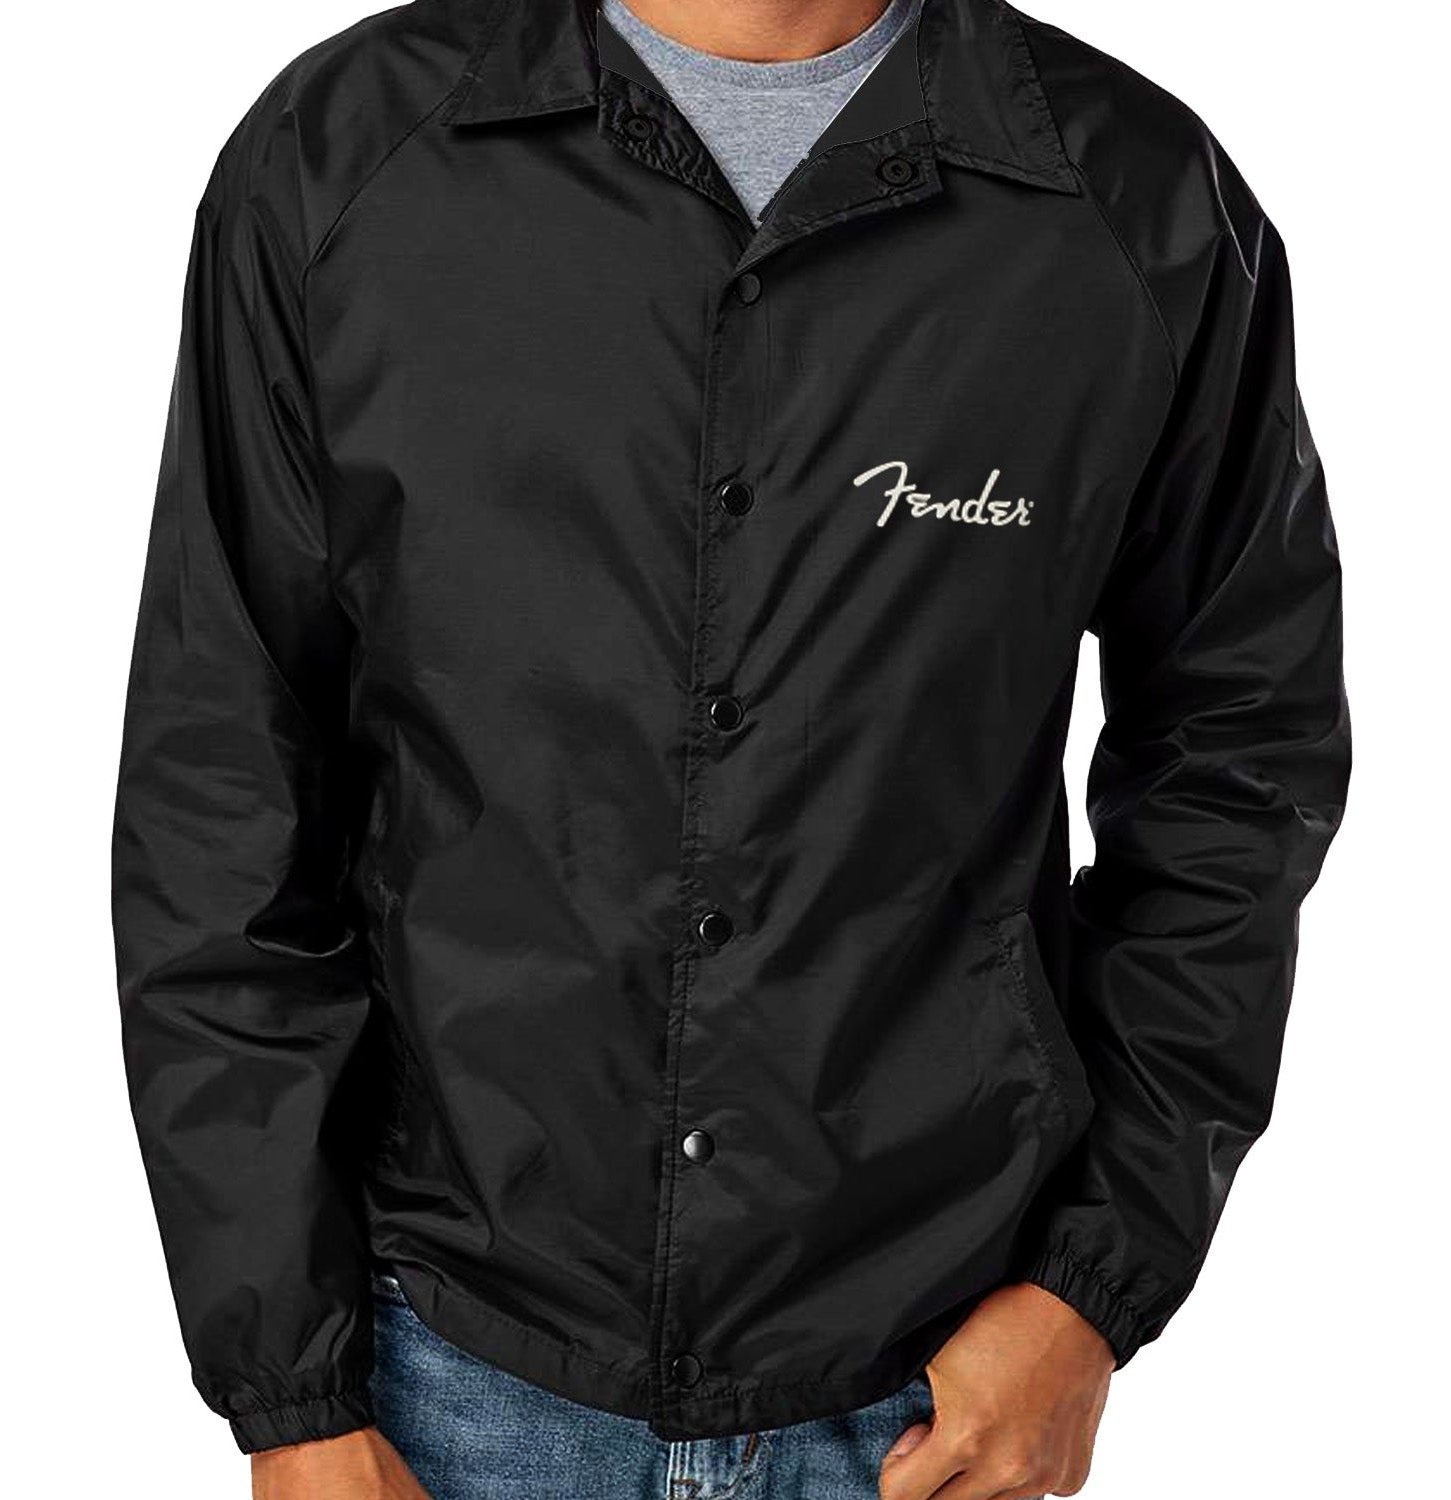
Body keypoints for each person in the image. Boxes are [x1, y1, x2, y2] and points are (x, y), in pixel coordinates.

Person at [109, 0, 1350, 1496]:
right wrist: (292, 1394)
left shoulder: (1138, 204)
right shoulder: (343, 156)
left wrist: (1093, 1286)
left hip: (932, 1388)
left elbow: (1238, 758)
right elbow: (223, 778)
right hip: (442, 1370)